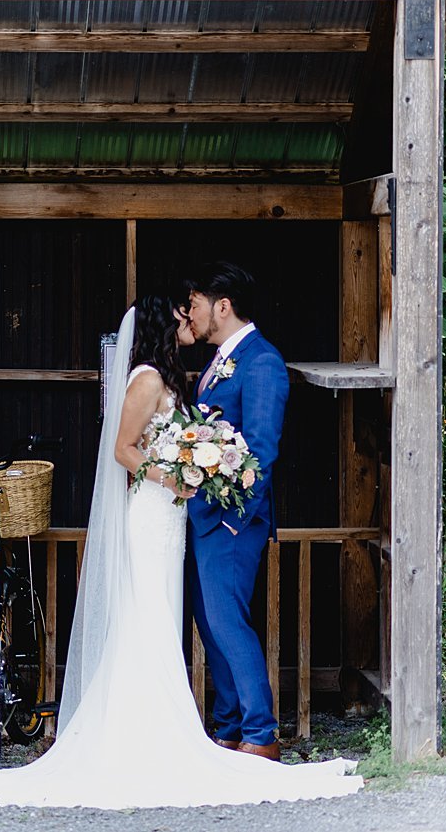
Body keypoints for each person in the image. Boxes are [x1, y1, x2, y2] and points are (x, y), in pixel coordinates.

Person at [0, 292, 361, 809]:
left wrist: (191, 465)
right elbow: (123, 448)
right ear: (161, 326)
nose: (189, 318)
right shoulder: (146, 379)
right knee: (147, 618)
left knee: (166, 619)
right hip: (152, 514)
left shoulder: (179, 377)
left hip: (174, 520)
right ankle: (150, 731)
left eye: (193, 307)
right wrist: (170, 475)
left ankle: (198, 726)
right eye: (180, 313)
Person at [182, 261, 286, 759]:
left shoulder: (261, 361)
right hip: (205, 516)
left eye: (197, 302)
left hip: (232, 520)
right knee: (209, 622)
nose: (191, 312)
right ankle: (227, 726)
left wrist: (231, 516)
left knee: (227, 621)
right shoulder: (221, 360)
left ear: (223, 306)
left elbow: (261, 448)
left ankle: (262, 735)